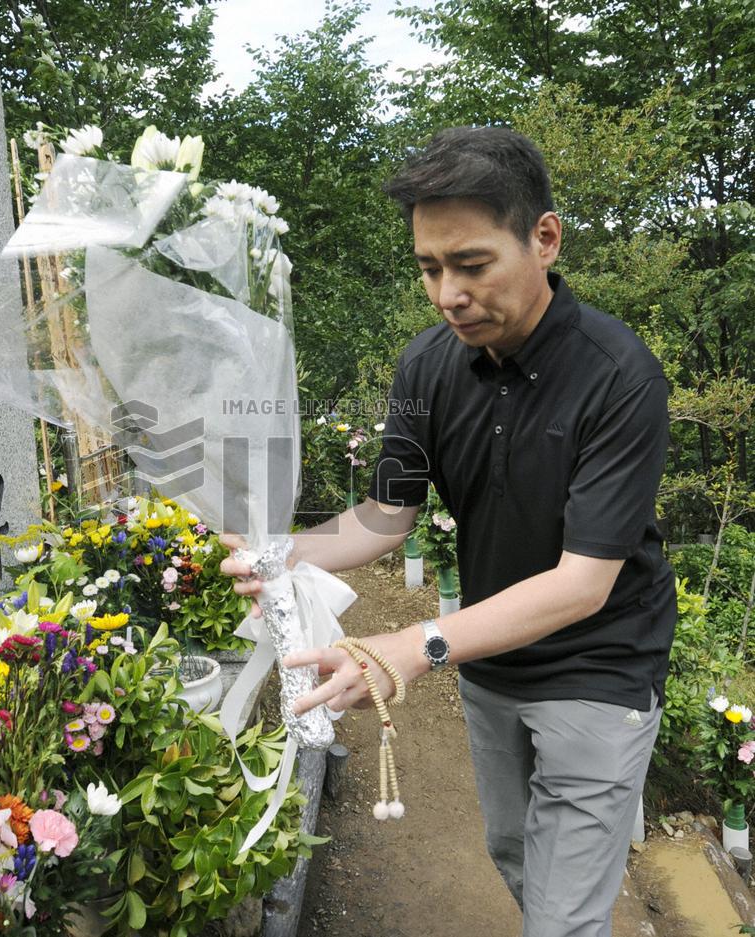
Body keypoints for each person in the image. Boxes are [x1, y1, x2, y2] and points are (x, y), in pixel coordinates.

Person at [220, 126, 676, 937]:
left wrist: (413, 645)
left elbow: (583, 582)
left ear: (544, 237)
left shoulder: (620, 376)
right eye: (430, 268)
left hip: (602, 664)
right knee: (512, 849)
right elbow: (384, 517)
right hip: (489, 659)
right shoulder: (423, 368)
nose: (447, 294)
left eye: (470, 265)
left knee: (563, 916)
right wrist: (270, 551)